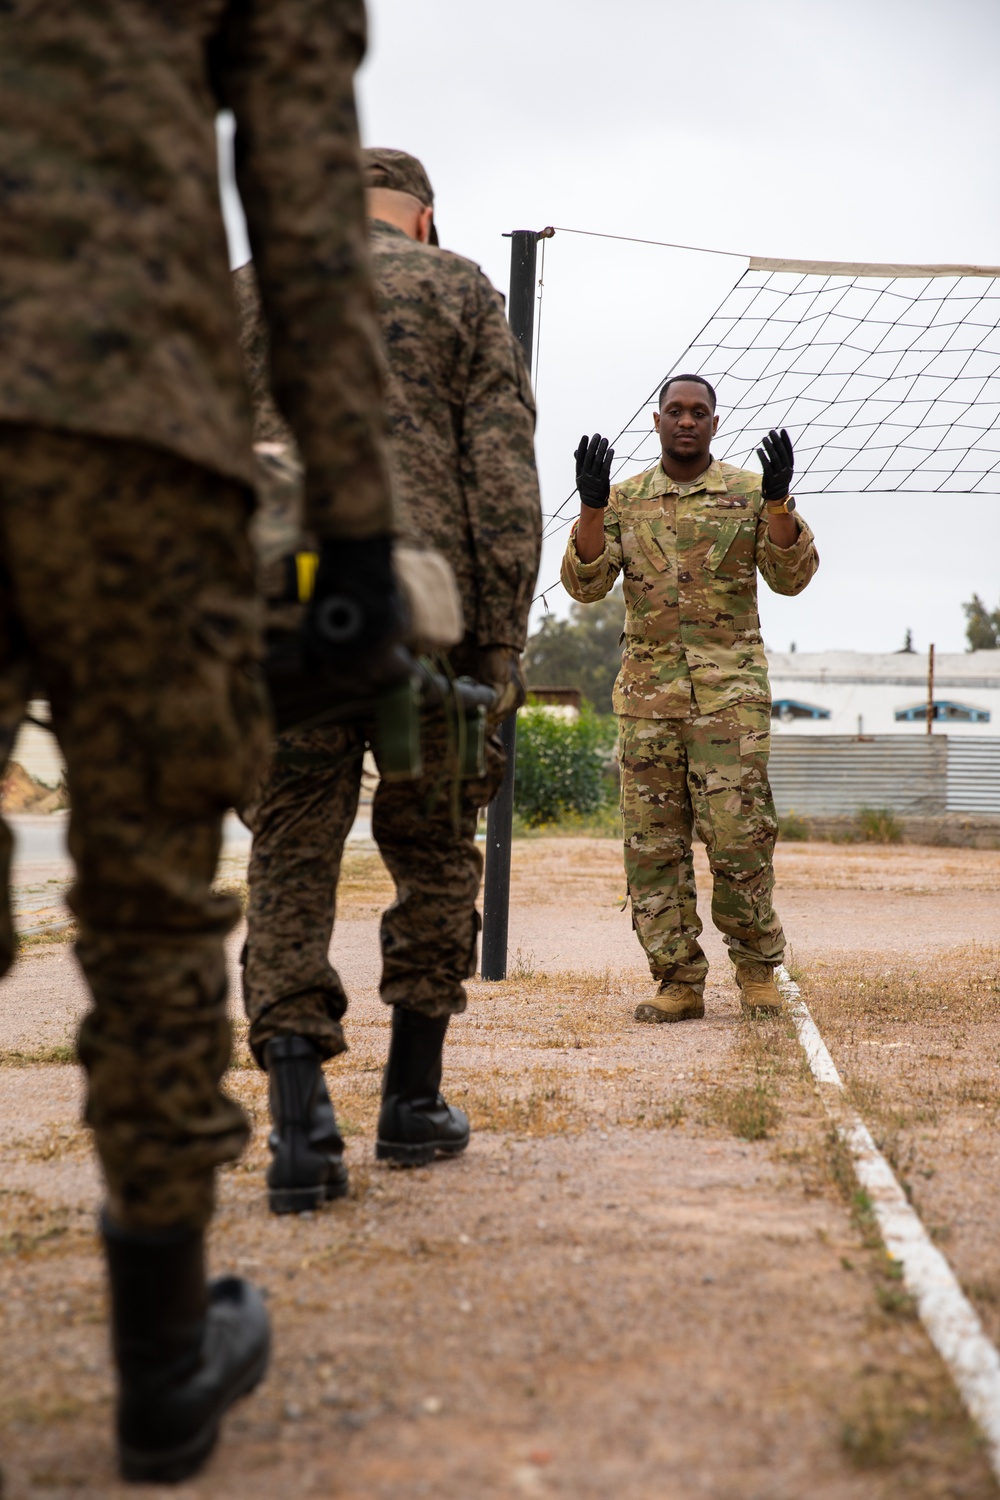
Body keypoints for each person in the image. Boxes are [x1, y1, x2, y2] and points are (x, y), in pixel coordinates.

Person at [0, 2, 396, 1482]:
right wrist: (352, 520)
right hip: (133, 428)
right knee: (155, 909)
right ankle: (163, 1367)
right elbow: (304, 214)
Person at [238, 147, 542, 1209]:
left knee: (291, 849)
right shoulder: (456, 283)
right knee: (432, 846)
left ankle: (296, 1133)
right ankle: (411, 1106)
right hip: (428, 617)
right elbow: (500, 470)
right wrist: (500, 641)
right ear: (423, 219)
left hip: (280, 611)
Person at [561, 377, 818, 1022]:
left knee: (738, 837)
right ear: (656, 421)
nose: (686, 421)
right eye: (675, 411)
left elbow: (791, 578)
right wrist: (591, 508)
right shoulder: (627, 501)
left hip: (730, 704)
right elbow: (585, 585)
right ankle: (677, 980)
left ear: (714, 423)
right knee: (654, 849)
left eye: (698, 412)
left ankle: (759, 972)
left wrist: (782, 501)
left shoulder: (748, 494)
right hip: (648, 704)